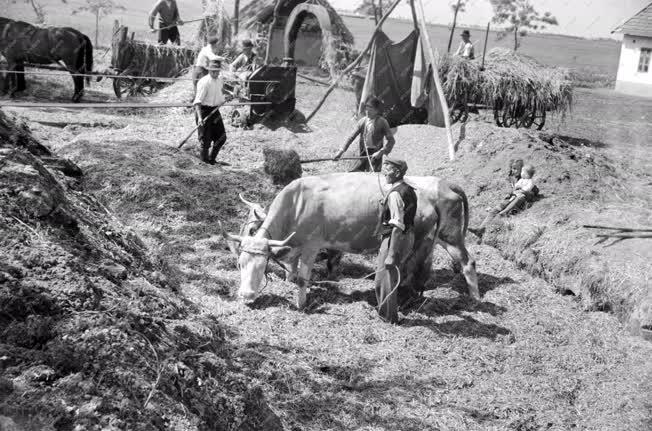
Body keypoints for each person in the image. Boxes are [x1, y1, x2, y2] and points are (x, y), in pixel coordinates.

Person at [374, 158, 417, 324]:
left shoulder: (396, 193)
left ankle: (387, 318)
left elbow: (397, 226)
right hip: (408, 236)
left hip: (395, 238)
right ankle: (389, 314)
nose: (385, 172)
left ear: (398, 172)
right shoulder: (407, 189)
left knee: (383, 280)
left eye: (388, 169)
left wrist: (391, 253)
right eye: (384, 168)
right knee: (390, 277)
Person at [470, 164, 538, 238]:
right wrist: (516, 188)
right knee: (494, 211)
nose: (521, 173)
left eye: (522, 172)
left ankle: (503, 213)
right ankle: (480, 229)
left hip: (518, 198)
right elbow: (516, 186)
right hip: (512, 197)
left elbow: (527, 189)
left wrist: (520, 188)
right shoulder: (521, 180)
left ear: (527, 173)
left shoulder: (530, 181)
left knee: (502, 212)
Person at [333, 96, 395, 172]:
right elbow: (351, 137)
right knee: (353, 172)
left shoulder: (382, 122)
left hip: (375, 155)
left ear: (377, 110)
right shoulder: (362, 121)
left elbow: (391, 141)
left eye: (370, 109)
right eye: (366, 109)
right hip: (363, 152)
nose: (367, 112)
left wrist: (381, 152)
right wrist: (341, 151)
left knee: (373, 177)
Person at [193, 59, 227, 165]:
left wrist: (227, 97)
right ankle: (204, 163)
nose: (215, 73)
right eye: (213, 71)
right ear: (209, 70)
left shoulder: (220, 79)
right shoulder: (204, 82)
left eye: (217, 71)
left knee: (221, 137)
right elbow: (197, 102)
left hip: (215, 110)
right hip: (203, 110)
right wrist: (199, 118)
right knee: (205, 141)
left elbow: (221, 92)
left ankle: (211, 160)